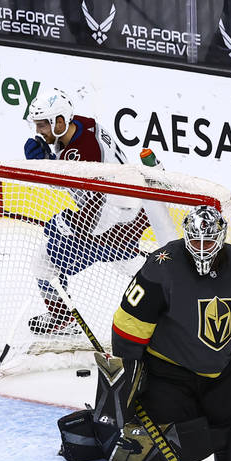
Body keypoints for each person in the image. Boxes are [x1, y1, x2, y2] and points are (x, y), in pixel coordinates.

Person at [108, 205, 231, 461]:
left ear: (221, 239)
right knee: (186, 439)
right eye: (195, 240)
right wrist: (128, 369)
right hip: (168, 371)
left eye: (208, 240)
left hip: (220, 370)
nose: (201, 247)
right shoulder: (162, 265)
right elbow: (130, 322)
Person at [20, 88, 143, 335]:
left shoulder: (83, 152)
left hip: (114, 221)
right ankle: (175, 300)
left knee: (45, 263)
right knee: (135, 269)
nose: (38, 131)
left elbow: (94, 217)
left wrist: (63, 223)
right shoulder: (81, 127)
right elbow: (75, 181)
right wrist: (49, 164)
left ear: (60, 121)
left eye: (42, 125)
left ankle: (62, 320)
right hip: (128, 210)